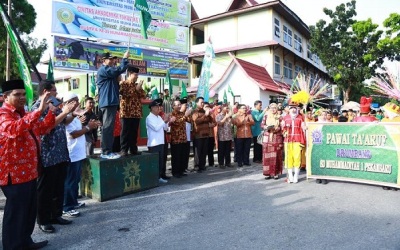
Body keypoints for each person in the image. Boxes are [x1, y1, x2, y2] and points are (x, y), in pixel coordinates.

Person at [0, 79, 55, 250]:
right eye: (17, 94)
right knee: (16, 212)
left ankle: (25, 241)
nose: (22, 97)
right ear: (5, 97)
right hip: (13, 173)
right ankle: (12, 246)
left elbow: (42, 129)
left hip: (30, 171)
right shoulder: (3, 115)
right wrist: (38, 110)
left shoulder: (23, 114)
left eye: (23, 94)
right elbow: (13, 130)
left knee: (29, 210)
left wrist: (50, 112)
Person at [32, 80, 79, 234]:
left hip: (61, 153)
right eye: (54, 91)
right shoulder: (37, 108)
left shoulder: (55, 106)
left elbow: (64, 122)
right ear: (46, 91)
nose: (56, 94)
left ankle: (56, 215)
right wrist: (64, 112)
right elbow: (46, 127)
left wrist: (70, 111)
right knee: (45, 189)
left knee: (58, 187)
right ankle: (44, 220)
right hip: (48, 154)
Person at [63, 93, 99, 217]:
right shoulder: (65, 116)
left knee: (76, 180)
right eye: (74, 101)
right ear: (68, 103)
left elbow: (79, 129)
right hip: (72, 153)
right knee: (70, 181)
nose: (78, 103)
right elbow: (72, 134)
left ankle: (73, 202)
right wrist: (88, 128)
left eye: (78, 100)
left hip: (78, 153)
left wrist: (88, 125)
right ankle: (66, 207)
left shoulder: (74, 116)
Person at [96, 51, 129, 159]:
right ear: (104, 60)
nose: (112, 61)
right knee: (107, 128)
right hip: (107, 102)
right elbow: (118, 70)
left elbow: (117, 76)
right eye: (109, 59)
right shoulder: (104, 70)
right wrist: (124, 59)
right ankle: (105, 152)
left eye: (113, 59)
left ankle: (108, 151)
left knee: (109, 128)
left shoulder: (109, 72)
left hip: (111, 101)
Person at [119, 65, 146, 156]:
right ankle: (124, 150)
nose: (137, 76)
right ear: (130, 74)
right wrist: (136, 89)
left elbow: (143, 95)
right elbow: (125, 94)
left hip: (136, 113)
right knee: (125, 132)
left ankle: (133, 149)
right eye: (135, 74)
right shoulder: (123, 84)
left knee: (134, 133)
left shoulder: (137, 85)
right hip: (126, 112)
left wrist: (138, 89)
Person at [146, 99, 173, 183]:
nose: (159, 108)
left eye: (159, 107)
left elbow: (165, 128)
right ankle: (154, 178)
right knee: (155, 162)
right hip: (154, 143)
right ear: (152, 108)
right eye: (157, 107)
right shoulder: (149, 118)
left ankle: (159, 177)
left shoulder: (159, 117)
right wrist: (164, 121)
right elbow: (156, 128)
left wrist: (167, 121)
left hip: (161, 142)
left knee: (161, 161)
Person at [282, 100, 306, 184]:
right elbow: (283, 128)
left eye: (294, 108)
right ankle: (290, 175)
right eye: (291, 108)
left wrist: (305, 127)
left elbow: (303, 128)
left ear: (297, 109)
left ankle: (296, 175)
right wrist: (284, 132)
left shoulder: (300, 117)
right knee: (288, 158)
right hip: (288, 141)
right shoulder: (285, 117)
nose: (293, 110)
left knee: (297, 157)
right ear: (289, 109)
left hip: (297, 140)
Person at [261, 103, 284, 179]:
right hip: (267, 138)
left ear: (277, 109)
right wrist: (267, 127)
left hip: (277, 138)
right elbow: (262, 125)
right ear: (269, 109)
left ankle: (275, 173)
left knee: (276, 155)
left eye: (275, 108)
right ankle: (267, 173)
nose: (273, 109)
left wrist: (276, 129)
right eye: (272, 108)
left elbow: (282, 127)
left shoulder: (280, 117)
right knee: (267, 155)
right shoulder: (266, 116)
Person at [169, 99, 191, 177]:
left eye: (180, 105)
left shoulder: (182, 114)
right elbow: (177, 122)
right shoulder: (172, 114)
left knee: (182, 156)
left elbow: (189, 120)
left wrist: (188, 114)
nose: (179, 106)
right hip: (176, 139)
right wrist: (185, 116)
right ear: (173, 106)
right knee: (176, 156)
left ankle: (181, 171)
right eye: (177, 105)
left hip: (183, 138)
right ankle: (175, 172)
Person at [192, 97, 213, 172]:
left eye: (203, 102)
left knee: (204, 151)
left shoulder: (204, 111)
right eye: (201, 102)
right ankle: (197, 166)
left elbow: (211, 121)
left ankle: (202, 165)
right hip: (198, 135)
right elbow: (196, 121)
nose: (202, 104)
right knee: (198, 152)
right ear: (196, 103)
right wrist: (205, 115)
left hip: (206, 134)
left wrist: (209, 114)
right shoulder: (195, 111)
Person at [216, 104, 233, 168]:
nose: (227, 109)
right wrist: (225, 117)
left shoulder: (229, 115)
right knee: (221, 150)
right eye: (226, 108)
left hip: (228, 135)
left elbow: (231, 123)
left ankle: (228, 163)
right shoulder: (219, 115)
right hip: (222, 136)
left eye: (228, 108)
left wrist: (230, 117)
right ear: (222, 108)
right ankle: (221, 163)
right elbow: (220, 123)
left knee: (228, 150)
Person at [204, 102, 217, 168]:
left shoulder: (212, 114)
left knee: (210, 150)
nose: (207, 108)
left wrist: (213, 125)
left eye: (208, 106)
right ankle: (202, 164)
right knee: (203, 150)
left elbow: (215, 122)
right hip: (204, 135)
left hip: (211, 134)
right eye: (206, 106)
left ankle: (211, 163)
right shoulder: (202, 114)